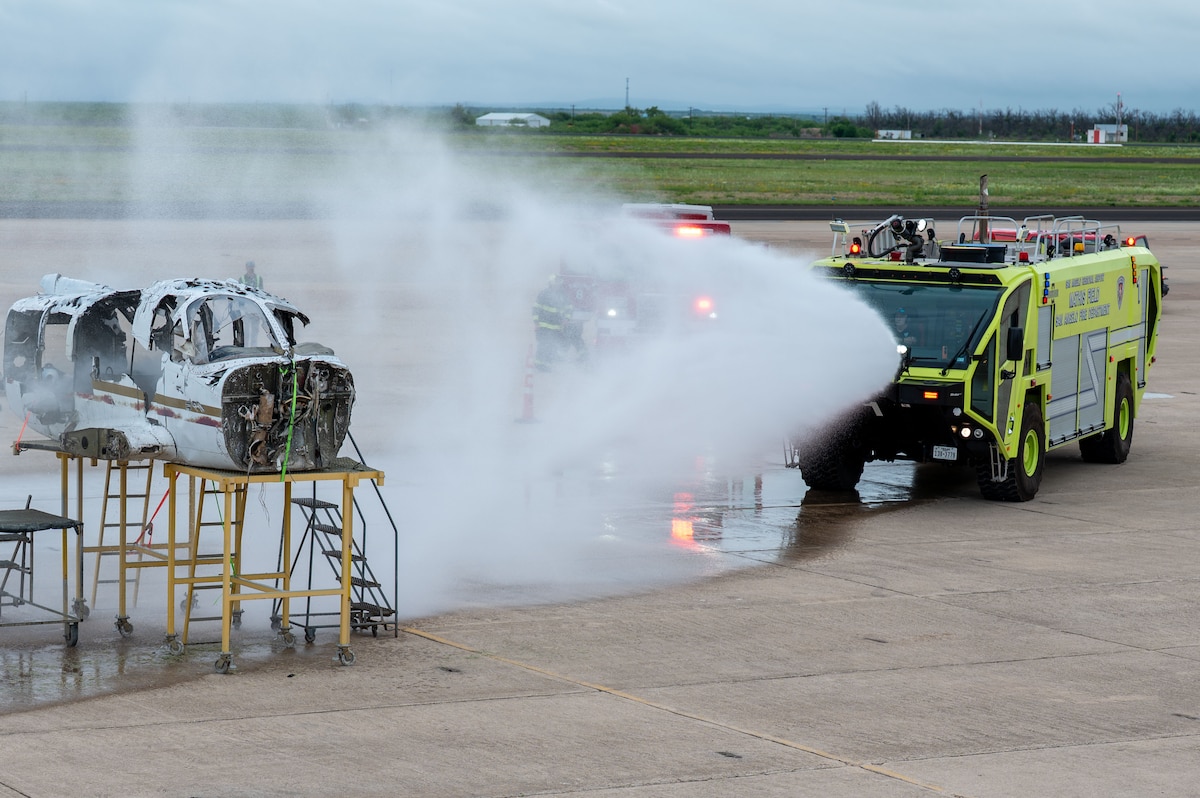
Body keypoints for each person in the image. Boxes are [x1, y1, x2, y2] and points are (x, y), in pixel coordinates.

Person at [532, 275, 585, 370]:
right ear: (551, 283)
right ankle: (539, 364)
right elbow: (536, 308)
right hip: (544, 325)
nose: (558, 285)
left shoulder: (563, 295)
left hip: (556, 327)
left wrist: (566, 319)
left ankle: (546, 365)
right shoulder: (544, 294)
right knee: (543, 345)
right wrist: (536, 322)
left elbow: (569, 308)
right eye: (556, 283)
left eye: (559, 283)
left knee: (551, 346)